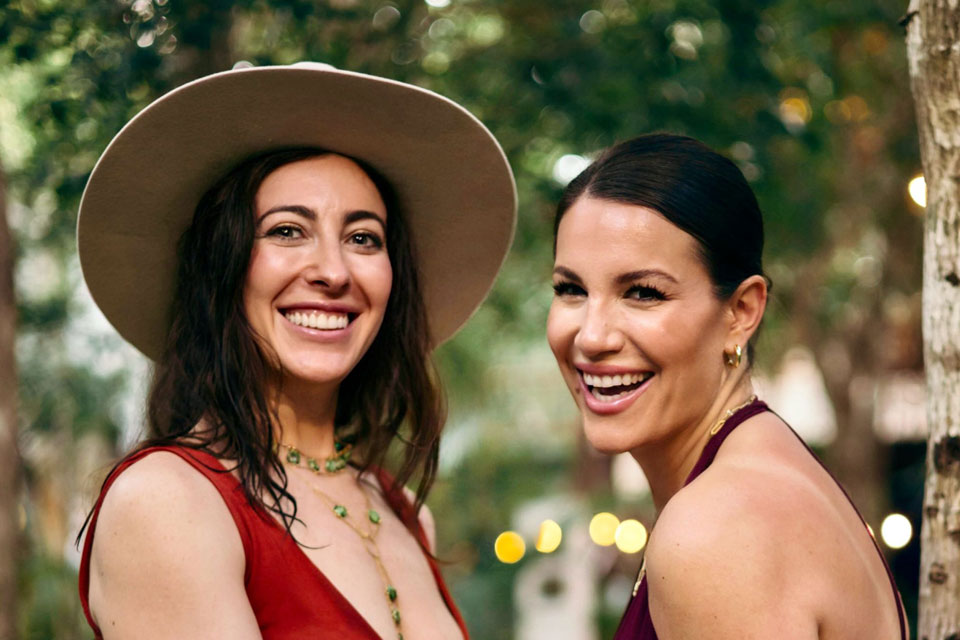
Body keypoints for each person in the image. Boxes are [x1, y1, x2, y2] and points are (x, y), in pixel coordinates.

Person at [76, 63, 516, 640]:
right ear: (222, 269)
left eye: (363, 238)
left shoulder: (407, 511)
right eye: (287, 230)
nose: (333, 272)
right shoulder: (167, 501)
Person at [546, 134, 907, 639]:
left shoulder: (717, 527)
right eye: (571, 290)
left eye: (643, 293)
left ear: (741, 312)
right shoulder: (769, 471)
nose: (591, 336)